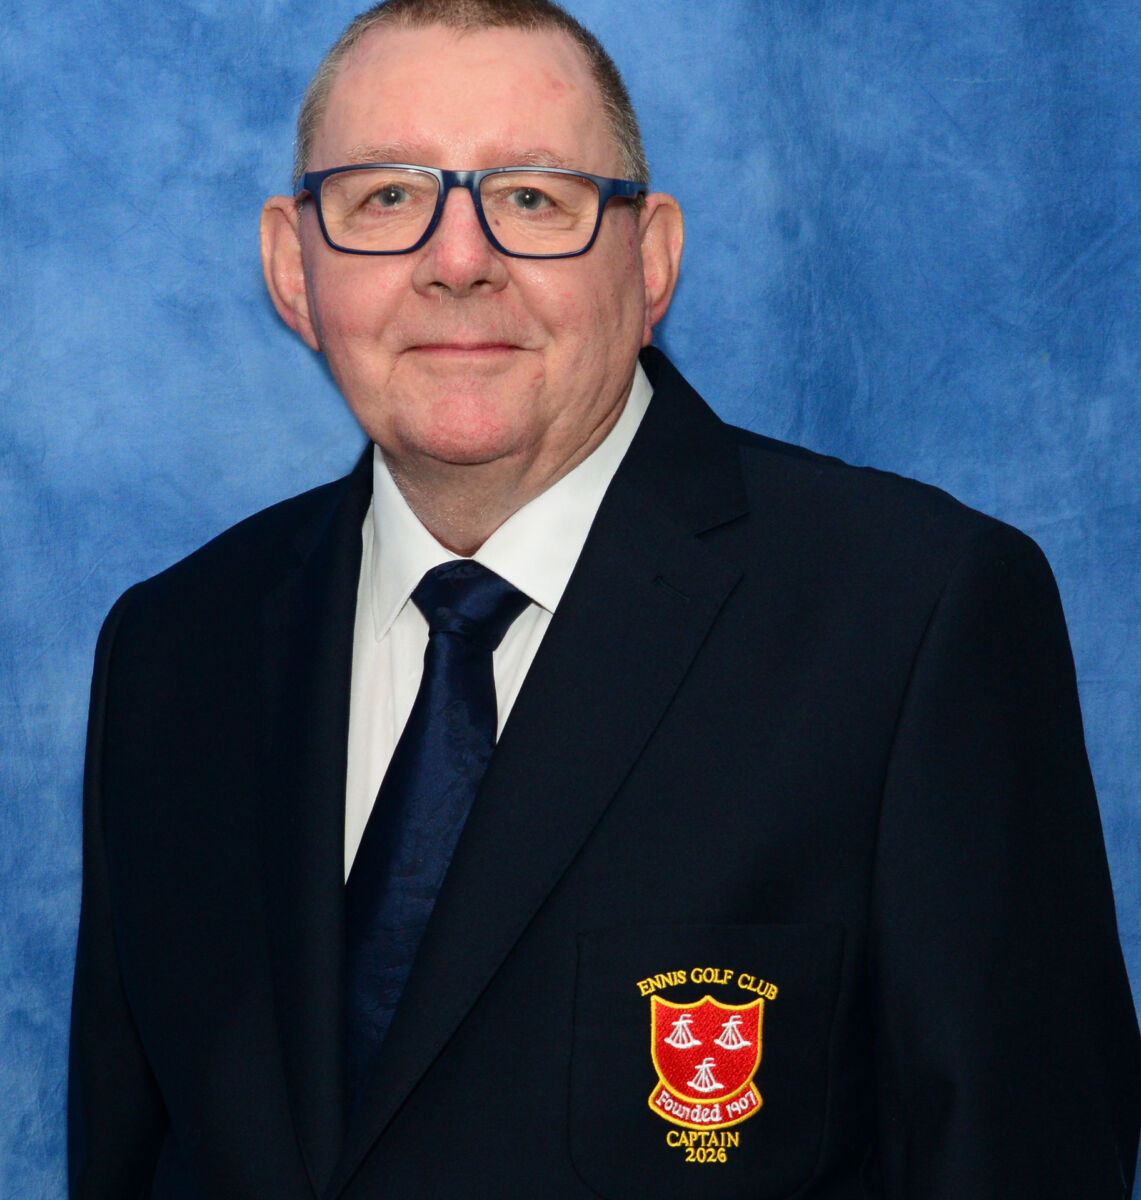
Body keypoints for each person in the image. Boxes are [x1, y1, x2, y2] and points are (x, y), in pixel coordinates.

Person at [69, 0, 1141, 1196]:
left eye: (533, 198)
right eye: (385, 197)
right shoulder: (173, 650)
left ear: (651, 259)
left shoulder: (912, 619)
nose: (458, 261)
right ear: (292, 266)